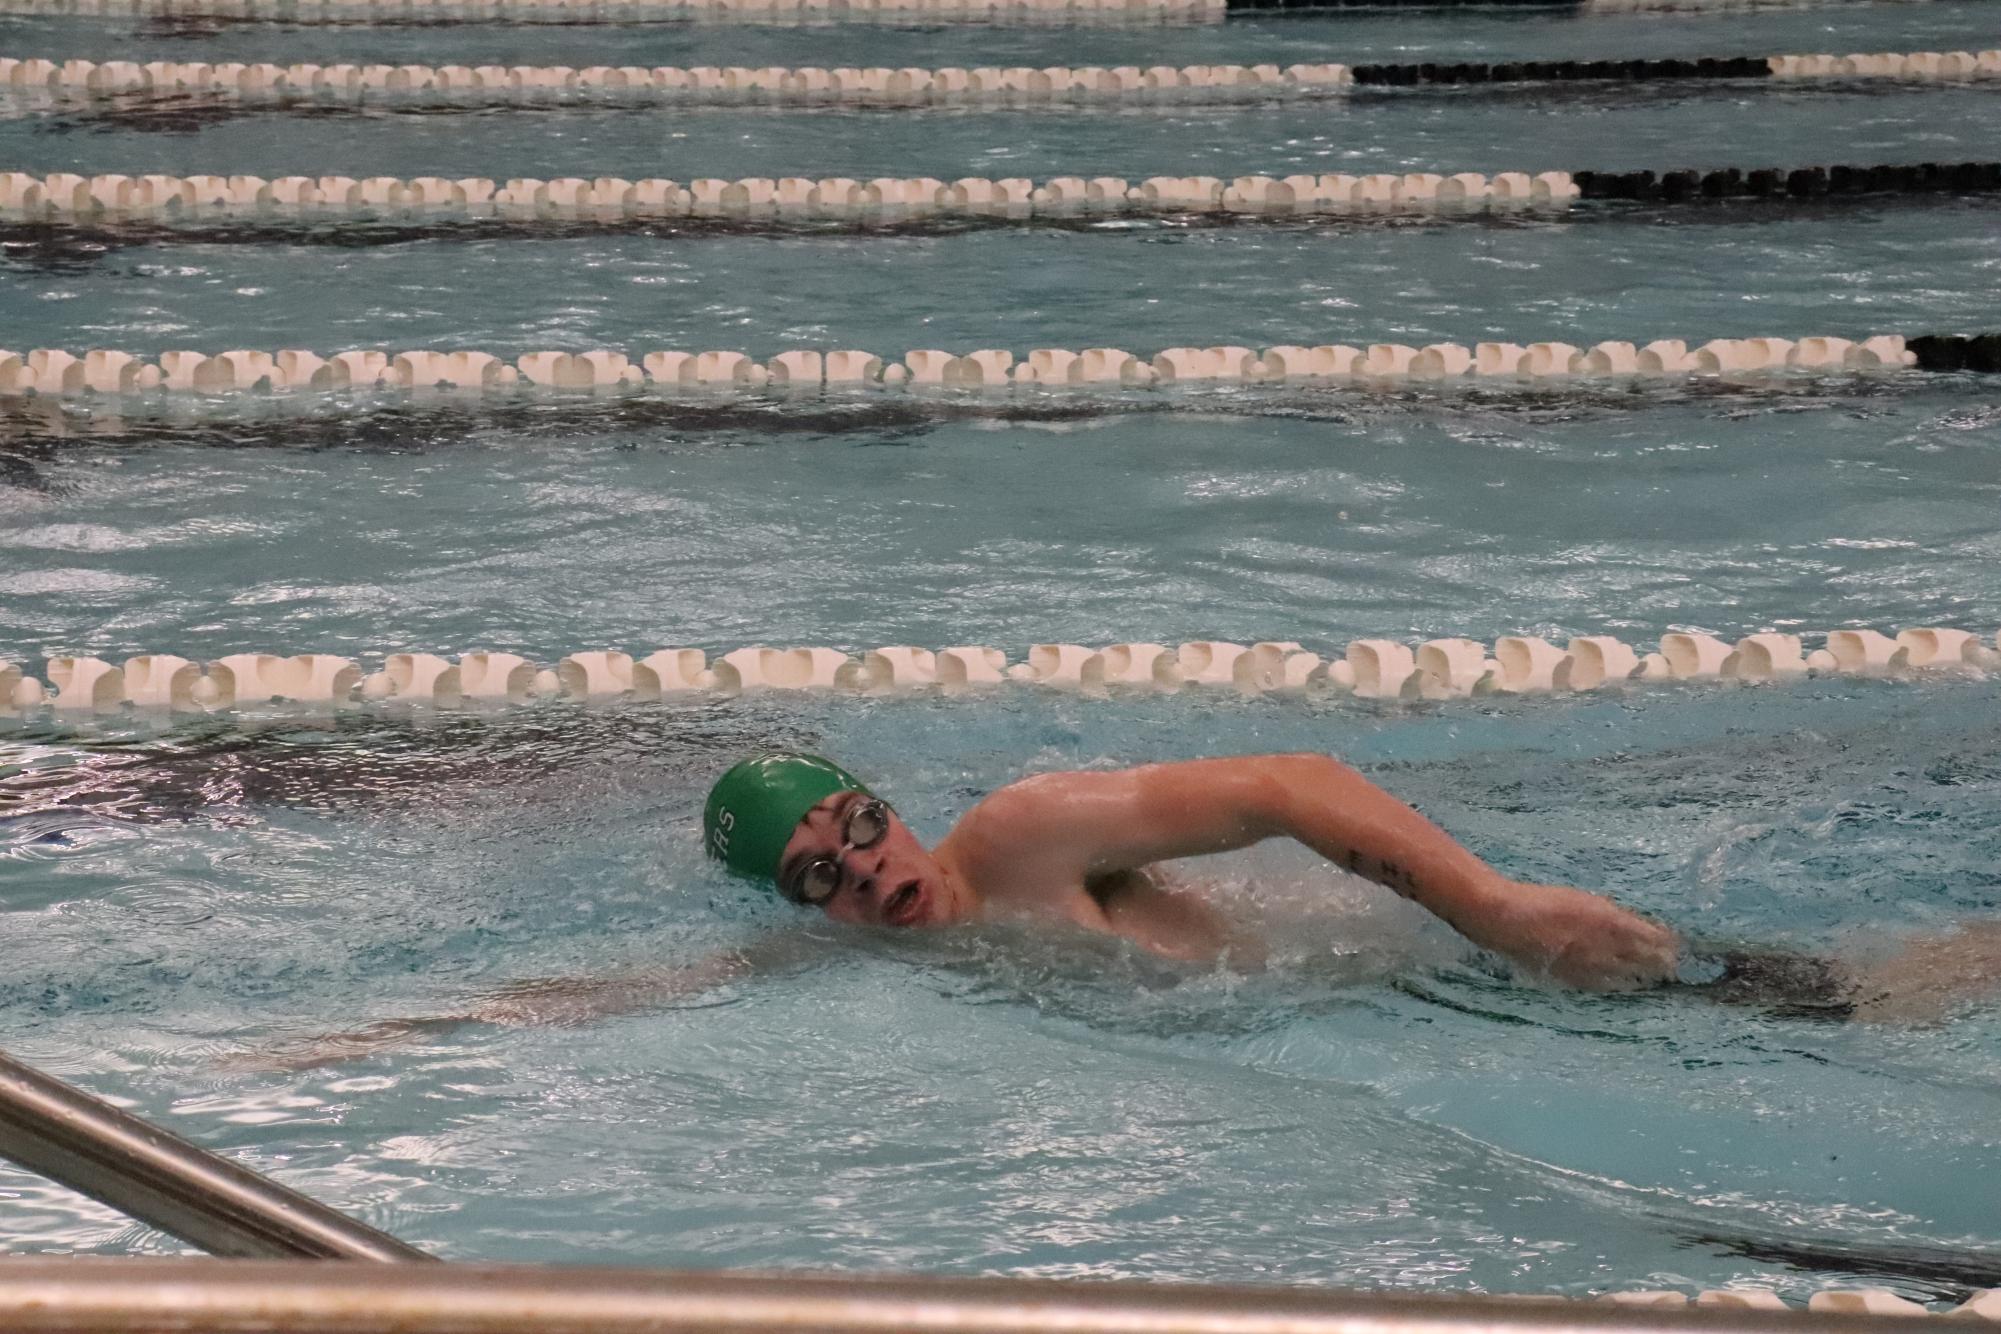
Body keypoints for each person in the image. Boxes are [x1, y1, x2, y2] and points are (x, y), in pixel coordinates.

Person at [239, 750, 2001, 1070]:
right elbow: (625, 997)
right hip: (1416, 1022)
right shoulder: (866, 947)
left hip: (1474, 973)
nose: (866, 872)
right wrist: (362, 1041)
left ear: (889, 803)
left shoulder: (1016, 837)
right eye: (821, 877)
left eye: (856, 830)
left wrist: (1493, 903)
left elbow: (1296, 782)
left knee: (1864, 1001)